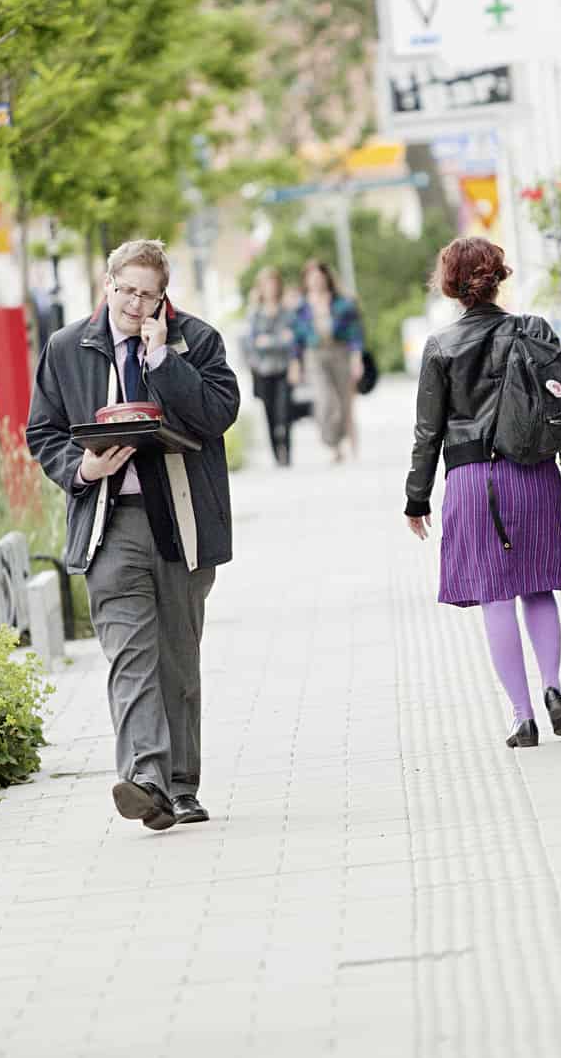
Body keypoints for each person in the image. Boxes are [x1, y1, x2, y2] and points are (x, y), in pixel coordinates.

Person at [26, 238, 240, 833]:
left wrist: (166, 362)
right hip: (109, 523)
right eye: (127, 291)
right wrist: (81, 469)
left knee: (177, 657)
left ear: (162, 296)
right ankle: (146, 779)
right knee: (129, 657)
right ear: (107, 284)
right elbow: (41, 429)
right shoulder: (68, 347)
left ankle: (181, 786)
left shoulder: (196, 341)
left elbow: (217, 413)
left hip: (181, 522)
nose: (136, 304)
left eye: (148, 295)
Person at [404, 237, 561, 750]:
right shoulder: (533, 329)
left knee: (495, 596)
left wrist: (417, 499)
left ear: (450, 285)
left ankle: (523, 717)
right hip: (533, 472)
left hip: (473, 481)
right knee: (538, 585)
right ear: (498, 276)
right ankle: (553, 686)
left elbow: (426, 433)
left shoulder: (440, 347)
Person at [293, 261, 364, 464]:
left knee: (344, 402)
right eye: (311, 277)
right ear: (306, 280)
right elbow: (297, 338)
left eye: (319, 277)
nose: (315, 281)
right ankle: (332, 441)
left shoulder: (342, 302)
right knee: (325, 400)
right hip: (314, 355)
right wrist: (295, 363)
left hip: (340, 352)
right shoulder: (301, 307)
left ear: (326, 278)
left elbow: (355, 333)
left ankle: (342, 444)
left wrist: (356, 357)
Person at [242, 266, 300, 467]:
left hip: (284, 369)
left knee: (284, 412)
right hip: (263, 370)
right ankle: (276, 452)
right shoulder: (255, 313)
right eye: (266, 284)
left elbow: (293, 341)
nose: (270, 288)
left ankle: (286, 451)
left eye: (273, 284)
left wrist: (268, 342)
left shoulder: (287, 312)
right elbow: (250, 343)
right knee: (270, 414)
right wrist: (277, 340)